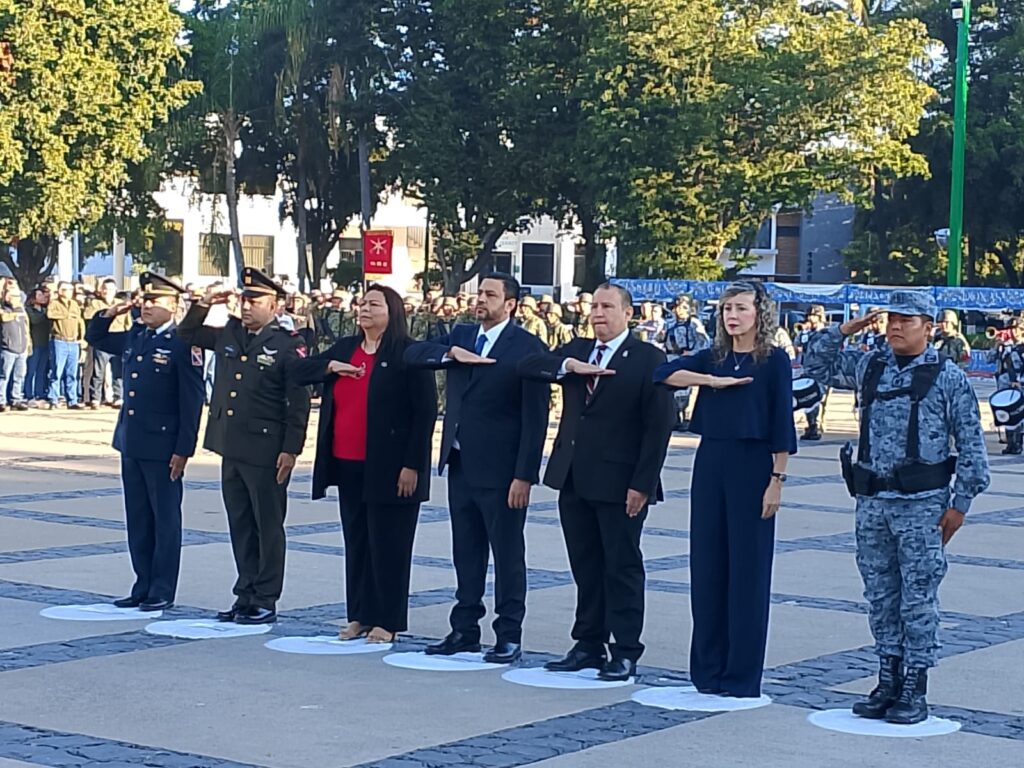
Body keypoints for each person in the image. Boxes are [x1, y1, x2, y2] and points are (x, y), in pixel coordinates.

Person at [803, 290, 990, 724]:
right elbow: (816, 365)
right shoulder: (872, 366)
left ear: (929, 327)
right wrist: (844, 329)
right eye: (891, 319)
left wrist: (960, 504)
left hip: (922, 505)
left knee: (918, 598)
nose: (896, 327)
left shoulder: (947, 378)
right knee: (881, 596)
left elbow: (972, 447)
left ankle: (914, 686)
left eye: (907, 320)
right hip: (872, 503)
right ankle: (887, 677)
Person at [518, 283, 674, 681]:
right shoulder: (577, 349)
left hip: (620, 481)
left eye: (607, 306)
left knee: (620, 566)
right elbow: (531, 366)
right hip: (574, 475)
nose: (598, 313)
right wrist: (570, 367)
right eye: (594, 306)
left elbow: (658, 428)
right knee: (585, 565)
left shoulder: (647, 358)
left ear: (627, 313)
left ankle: (624, 649)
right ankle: (588, 642)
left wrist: (642, 483)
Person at [654, 281, 796, 697]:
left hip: (753, 465)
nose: (732, 316)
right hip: (711, 459)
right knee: (708, 565)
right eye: (726, 309)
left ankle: (740, 675)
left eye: (740, 308)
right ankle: (708, 670)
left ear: (759, 313)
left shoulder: (774, 360)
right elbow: (663, 374)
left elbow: (781, 426)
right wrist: (711, 382)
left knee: (747, 571)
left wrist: (777, 480)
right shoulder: (713, 356)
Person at [404, 273, 549, 664]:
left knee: (506, 553)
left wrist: (525, 474)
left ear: (511, 304)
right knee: (465, 553)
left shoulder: (527, 347)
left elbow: (535, 419)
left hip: (503, 471)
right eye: (478, 293)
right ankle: (464, 628)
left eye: (489, 294)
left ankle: (508, 633)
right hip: (461, 463)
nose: (480, 300)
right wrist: (451, 355)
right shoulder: (463, 335)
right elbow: (413, 354)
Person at [288, 285, 436, 643]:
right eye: (362, 303)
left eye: (374, 304)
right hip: (347, 462)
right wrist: (329, 366)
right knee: (357, 543)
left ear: (393, 311)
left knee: (389, 545)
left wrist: (413, 464)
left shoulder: (406, 352)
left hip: (391, 466)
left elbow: (425, 412)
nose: (364, 309)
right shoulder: (346, 349)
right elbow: (294, 371)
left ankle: (388, 620)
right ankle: (360, 614)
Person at [178, 268, 311, 625]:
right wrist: (203, 303)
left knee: (267, 525)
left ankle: (265, 597)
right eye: (244, 300)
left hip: (266, 448)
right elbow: (186, 333)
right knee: (240, 522)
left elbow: (297, 401)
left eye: (255, 301)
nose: (247, 306)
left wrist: (291, 449)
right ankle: (245, 591)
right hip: (231, 444)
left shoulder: (287, 344)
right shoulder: (230, 334)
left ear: (275, 305)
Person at [86, 273, 204, 611]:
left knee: (164, 519)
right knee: (138, 518)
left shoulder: (183, 343)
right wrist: (111, 312)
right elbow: (96, 337)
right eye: (145, 300)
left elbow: (191, 401)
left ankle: (162, 588)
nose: (146, 306)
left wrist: (183, 450)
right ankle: (142, 583)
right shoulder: (138, 335)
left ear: (173, 306)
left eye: (155, 301)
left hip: (163, 447)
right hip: (132, 442)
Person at [663, 295, 710, 431]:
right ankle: (675, 417)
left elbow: (704, 342)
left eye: (684, 307)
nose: (679, 310)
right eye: (677, 307)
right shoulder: (670, 323)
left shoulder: (694, 324)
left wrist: (693, 353)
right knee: (673, 389)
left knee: (687, 389)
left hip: (688, 358)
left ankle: (686, 418)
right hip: (672, 357)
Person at [85, 279, 127, 409]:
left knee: (118, 371)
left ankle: (118, 397)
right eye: (105, 289)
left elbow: (127, 321)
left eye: (110, 289)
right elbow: (88, 317)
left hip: (119, 338)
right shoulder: (94, 303)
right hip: (103, 341)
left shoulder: (121, 303)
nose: (107, 291)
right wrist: (109, 312)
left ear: (115, 291)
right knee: (98, 372)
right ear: (101, 290)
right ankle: (95, 398)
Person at [45, 281, 85, 410]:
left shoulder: (74, 304)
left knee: (72, 373)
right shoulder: (54, 303)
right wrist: (66, 315)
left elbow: (80, 321)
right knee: (56, 371)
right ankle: (53, 399)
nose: (69, 291)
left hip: (73, 342)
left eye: (70, 289)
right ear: (60, 291)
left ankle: (72, 400)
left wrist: (82, 338)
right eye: (66, 289)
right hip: (59, 341)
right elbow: (50, 314)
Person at [989, 318, 1024, 454]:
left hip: (1019, 386)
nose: (1011, 332)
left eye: (1015, 329)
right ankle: (1010, 443)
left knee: (1018, 416)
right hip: (1004, 386)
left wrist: (1018, 380)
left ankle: (1017, 444)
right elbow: (989, 359)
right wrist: (996, 346)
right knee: (1006, 416)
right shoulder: (1006, 347)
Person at [794, 305, 829, 440]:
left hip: (822, 371)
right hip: (806, 370)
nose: (809, 318)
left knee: (817, 399)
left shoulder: (826, 333)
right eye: (808, 316)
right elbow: (797, 347)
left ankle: (816, 425)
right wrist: (803, 334)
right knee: (807, 399)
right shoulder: (806, 333)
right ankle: (811, 425)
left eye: (813, 316)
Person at [0, 282, 31, 411]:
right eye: (13, 295)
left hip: (22, 348)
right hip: (8, 348)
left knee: (20, 375)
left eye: (17, 296)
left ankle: (16, 399)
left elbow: (26, 329)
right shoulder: (3, 309)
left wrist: (28, 344)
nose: (16, 298)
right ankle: (1, 400)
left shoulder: (22, 310)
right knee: (4, 376)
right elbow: (4, 318)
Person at [24, 286, 51, 406]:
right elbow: (34, 320)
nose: (42, 298)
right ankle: (28, 394)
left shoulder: (46, 310)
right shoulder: (29, 310)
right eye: (39, 295)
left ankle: (39, 393)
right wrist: (45, 314)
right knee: (31, 370)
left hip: (45, 343)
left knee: (41, 370)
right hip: (34, 343)